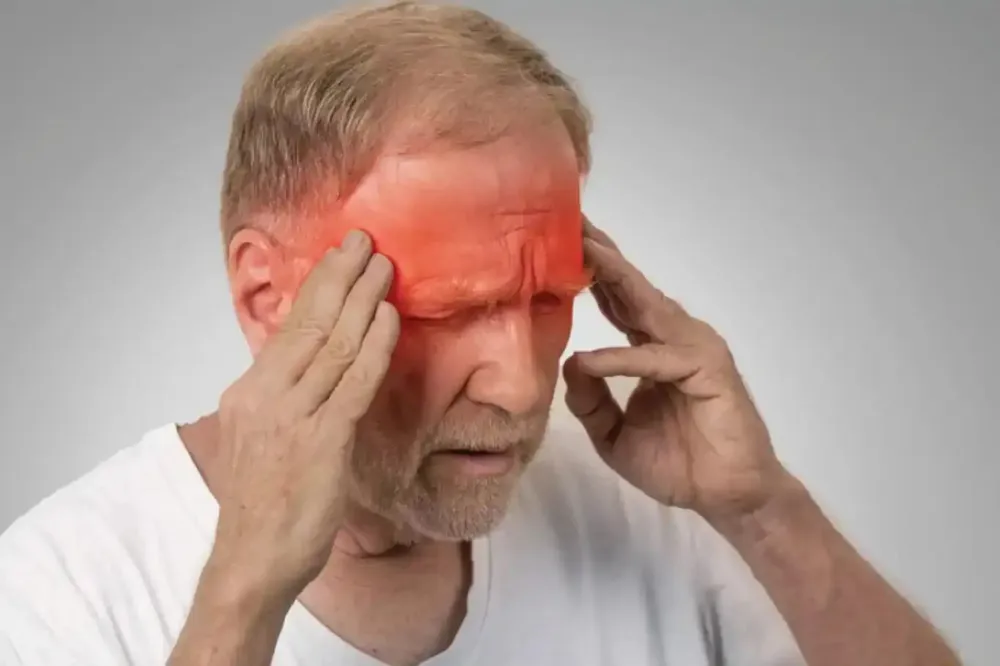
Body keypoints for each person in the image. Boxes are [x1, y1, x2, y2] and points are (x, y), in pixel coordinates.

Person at [0, 2, 961, 665]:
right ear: (268, 298)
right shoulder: (59, 590)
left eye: (547, 299)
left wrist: (764, 513)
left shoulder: (653, 518)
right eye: (452, 310)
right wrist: (243, 595)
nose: (520, 386)